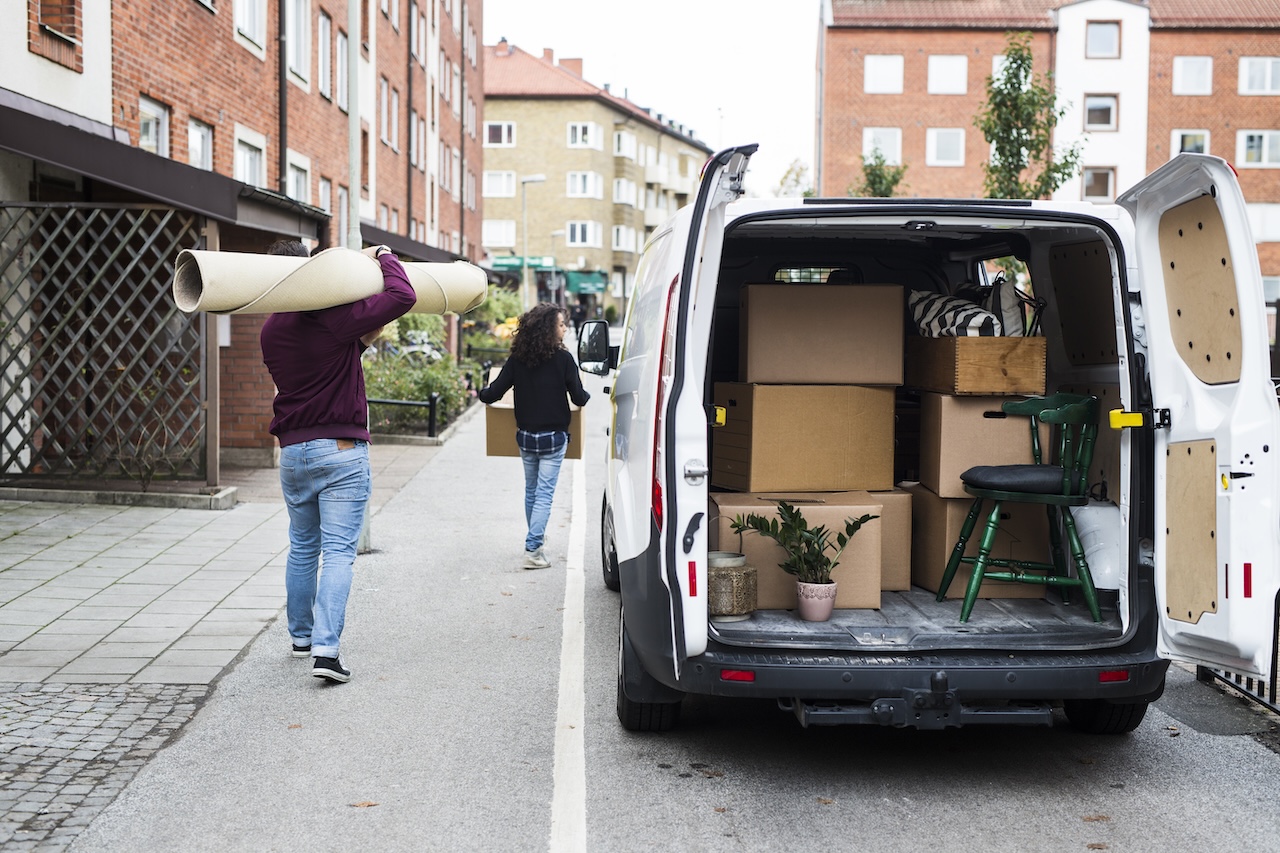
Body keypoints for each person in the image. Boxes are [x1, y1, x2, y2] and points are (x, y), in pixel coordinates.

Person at [260, 239, 416, 682]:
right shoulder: (331, 317)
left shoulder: (271, 328)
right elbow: (404, 296)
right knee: (339, 553)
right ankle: (326, 654)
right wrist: (384, 255)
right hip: (340, 450)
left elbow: (338, 355)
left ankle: (301, 639)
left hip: (292, 453)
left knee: (303, 547)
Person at [477, 303, 590, 569]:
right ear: (549, 328)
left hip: (526, 437)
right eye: (561, 324)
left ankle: (535, 539)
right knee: (545, 494)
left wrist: (479, 393)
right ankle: (533, 549)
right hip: (553, 438)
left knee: (531, 491)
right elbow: (578, 398)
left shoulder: (519, 359)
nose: (564, 328)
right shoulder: (564, 360)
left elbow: (493, 393)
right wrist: (586, 395)